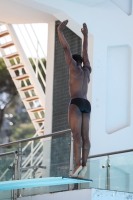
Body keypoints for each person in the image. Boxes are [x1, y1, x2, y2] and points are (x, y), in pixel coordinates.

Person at [57, 20, 91, 178]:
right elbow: (86, 52)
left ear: (74, 61)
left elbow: (66, 48)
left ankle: (77, 165)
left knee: (76, 135)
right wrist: (85, 36)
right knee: (86, 137)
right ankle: (84, 165)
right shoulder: (86, 70)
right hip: (86, 104)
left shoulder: (73, 66)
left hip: (76, 103)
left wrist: (60, 31)